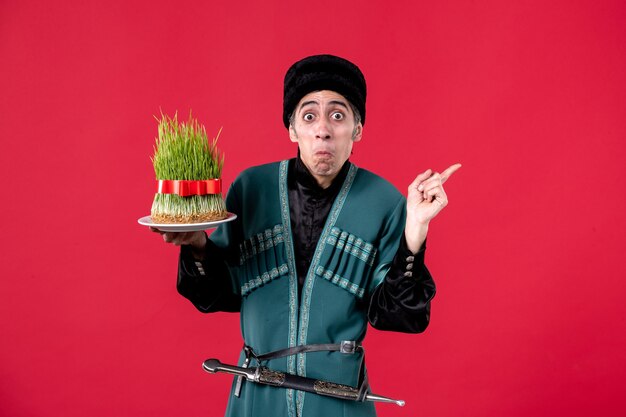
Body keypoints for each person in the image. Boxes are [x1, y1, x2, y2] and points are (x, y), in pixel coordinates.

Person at [152, 54, 460, 417]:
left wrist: (415, 231)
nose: (323, 130)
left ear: (357, 128)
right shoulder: (251, 188)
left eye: (338, 115)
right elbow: (217, 295)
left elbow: (399, 316)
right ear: (292, 129)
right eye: (309, 115)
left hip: (339, 399)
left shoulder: (386, 203)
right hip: (256, 396)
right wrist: (198, 245)